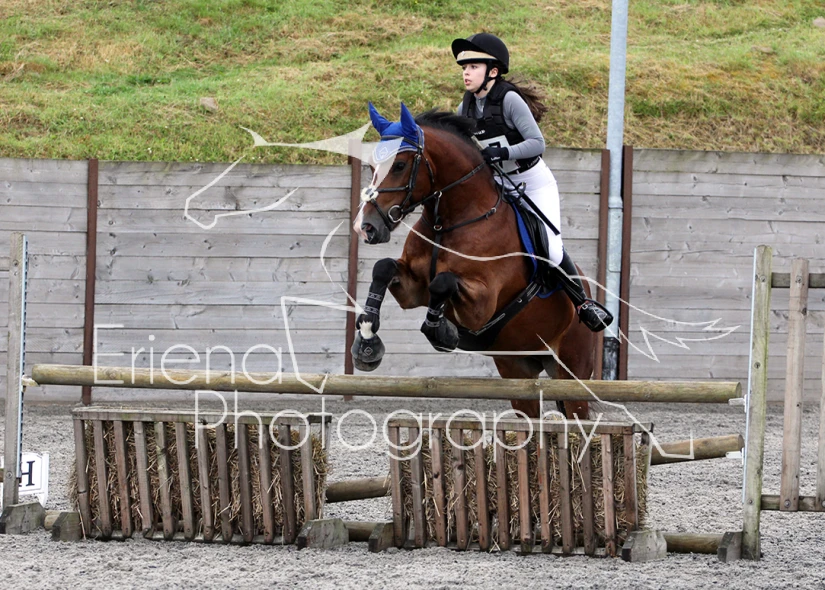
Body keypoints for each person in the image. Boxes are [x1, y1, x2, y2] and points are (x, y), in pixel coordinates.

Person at [451, 32, 613, 332]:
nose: (466, 73)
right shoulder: (466, 107)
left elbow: (538, 143)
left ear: (493, 72)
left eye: (473, 66)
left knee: (550, 249)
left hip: (532, 181)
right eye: (464, 67)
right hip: (498, 183)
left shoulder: (509, 100)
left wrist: (505, 152)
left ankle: (583, 304)